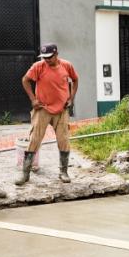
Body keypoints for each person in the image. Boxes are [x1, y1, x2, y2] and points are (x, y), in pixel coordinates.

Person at [16, 43, 79, 185]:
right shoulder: (38, 66)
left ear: (56, 54)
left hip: (62, 109)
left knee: (63, 140)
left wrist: (71, 98)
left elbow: (75, 79)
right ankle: (25, 174)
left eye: (49, 57)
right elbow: (25, 80)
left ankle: (63, 171)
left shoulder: (66, 65)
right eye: (44, 57)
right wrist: (33, 99)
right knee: (34, 140)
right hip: (42, 109)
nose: (47, 60)